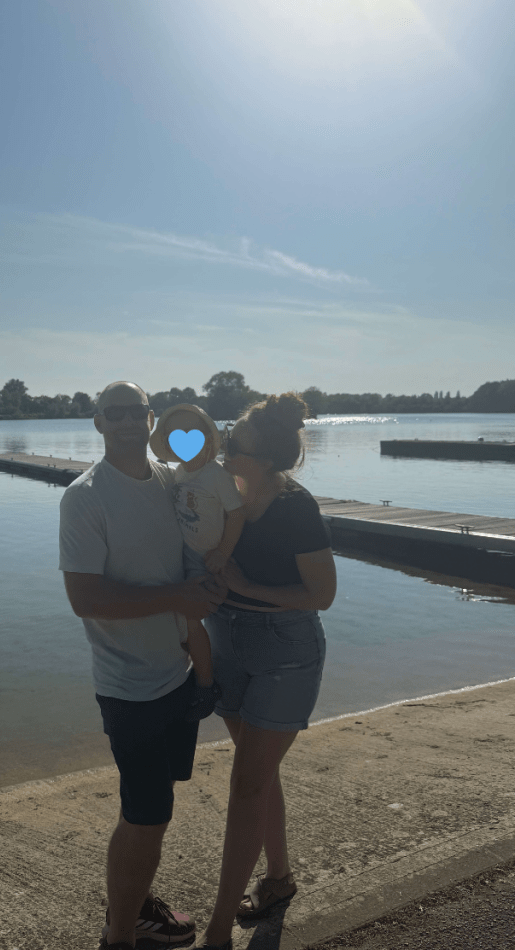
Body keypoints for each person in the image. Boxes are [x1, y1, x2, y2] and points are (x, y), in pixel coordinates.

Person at [59, 381, 226, 950]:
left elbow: (199, 533)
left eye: (137, 412)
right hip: (130, 688)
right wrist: (178, 598)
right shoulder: (84, 497)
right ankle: (121, 935)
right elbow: (85, 598)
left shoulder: (168, 480)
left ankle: (134, 902)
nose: (129, 422)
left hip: (178, 676)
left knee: (153, 811)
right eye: (116, 414)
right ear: (99, 423)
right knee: (146, 815)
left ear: (150, 419)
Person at [198, 392, 337, 950]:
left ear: (260, 456)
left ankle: (217, 928)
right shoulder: (221, 492)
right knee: (258, 777)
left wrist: (249, 588)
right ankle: (277, 880)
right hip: (227, 640)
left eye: (233, 442)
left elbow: (321, 596)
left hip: (285, 650)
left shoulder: (295, 507)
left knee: (247, 785)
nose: (224, 446)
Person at [149, 403, 246, 721]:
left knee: (191, 618)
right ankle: (189, 671)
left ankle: (205, 684)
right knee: (179, 616)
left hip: (206, 556)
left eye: (194, 434)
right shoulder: (179, 472)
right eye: (177, 436)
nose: (187, 441)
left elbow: (236, 513)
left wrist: (224, 552)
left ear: (208, 438)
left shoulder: (216, 474)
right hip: (184, 550)